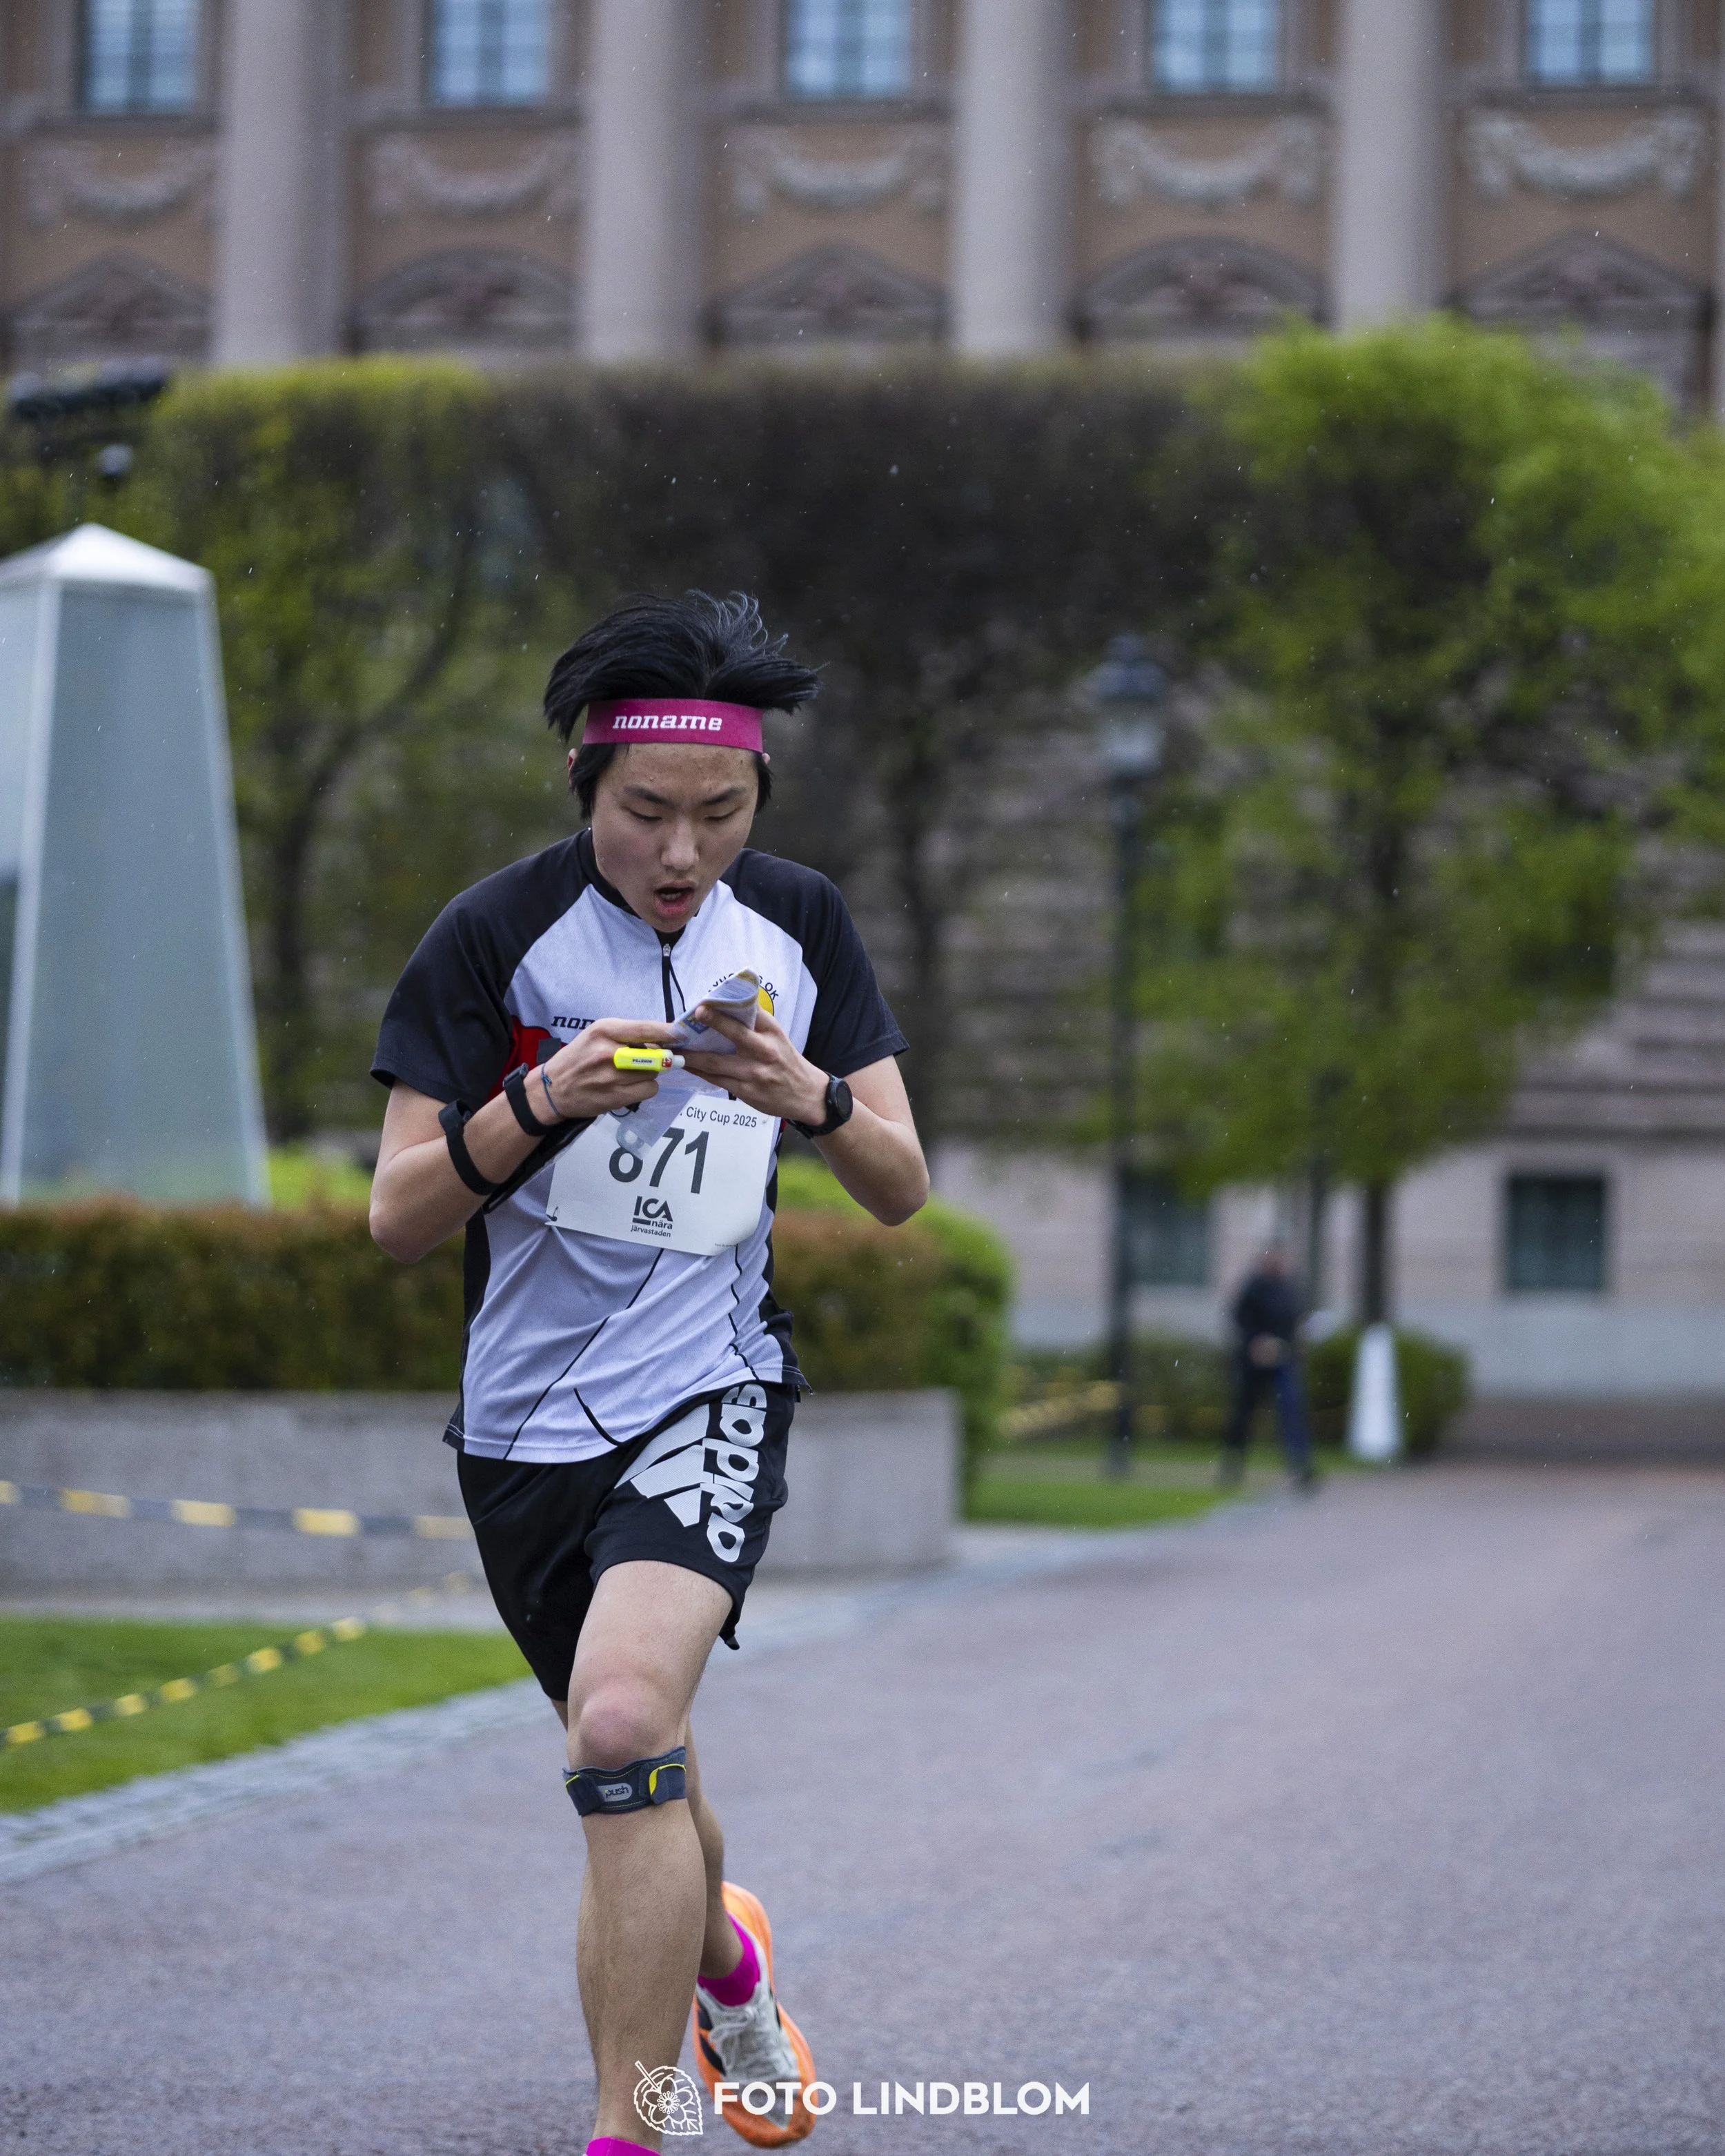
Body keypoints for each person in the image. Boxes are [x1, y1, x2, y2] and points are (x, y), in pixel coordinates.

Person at [368, 592, 929, 2156]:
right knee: (642, 1764)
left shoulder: (799, 925)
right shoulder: (493, 937)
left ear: (757, 801)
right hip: (525, 1424)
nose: (682, 853)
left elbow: (900, 1184)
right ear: (584, 780)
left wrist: (807, 1095)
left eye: (720, 816)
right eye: (645, 815)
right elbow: (400, 1217)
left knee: (616, 1725)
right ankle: (724, 1957)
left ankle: (633, 2124)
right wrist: (537, 1100)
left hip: (714, 1384)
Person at [1219, 1246, 1319, 1490]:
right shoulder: (1254, 1288)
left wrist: (1284, 1346)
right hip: (1253, 1361)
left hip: (1282, 1359)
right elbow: (1240, 1319)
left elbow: (1296, 1322)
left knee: (1290, 1410)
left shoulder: (1288, 1289)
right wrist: (1257, 1342)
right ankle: (1233, 1462)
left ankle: (1299, 1463)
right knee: (1244, 1412)